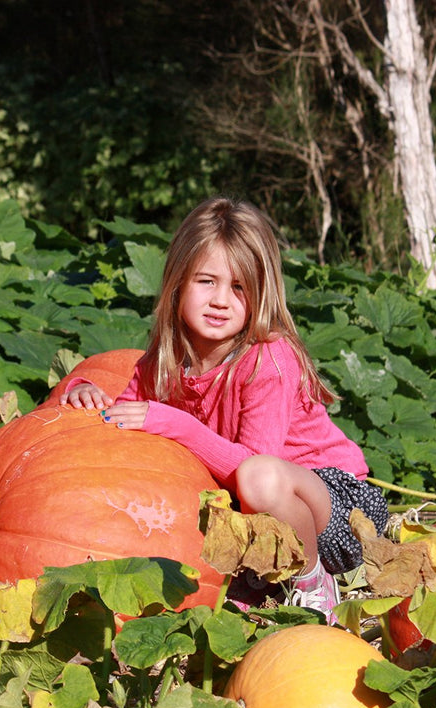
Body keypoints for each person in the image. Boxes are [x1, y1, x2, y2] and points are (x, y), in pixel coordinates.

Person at [59, 196, 388, 622]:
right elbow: (125, 425)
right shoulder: (164, 359)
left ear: (260, 293)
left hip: (333, 512)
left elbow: (252, 466)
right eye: (206, 281)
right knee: (218, 606)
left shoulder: (268, 359)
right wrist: (86, 393)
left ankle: (311, 582)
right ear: (178, 283)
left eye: (238, 287)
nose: (220, 300)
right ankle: (265, 582)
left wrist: (177, 425)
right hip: (249, 518)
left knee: (258, 477)